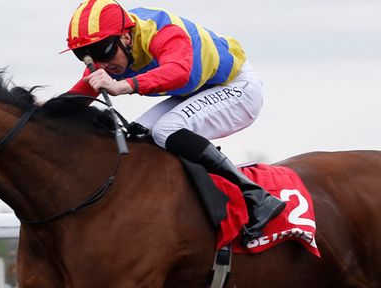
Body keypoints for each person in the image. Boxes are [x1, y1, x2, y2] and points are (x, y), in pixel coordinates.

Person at [63, 0, 286, 243]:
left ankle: (255, 196)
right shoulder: (113, 47)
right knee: (136, 134)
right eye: (87, 56)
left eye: (102, 53)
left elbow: (179, 70)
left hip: (238, 88)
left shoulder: (164, 32)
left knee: (165, 130)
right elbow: (80, 95)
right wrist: (41, 111)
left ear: (126, 37)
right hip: (198, 91)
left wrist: (124, 86)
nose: (100, 65)